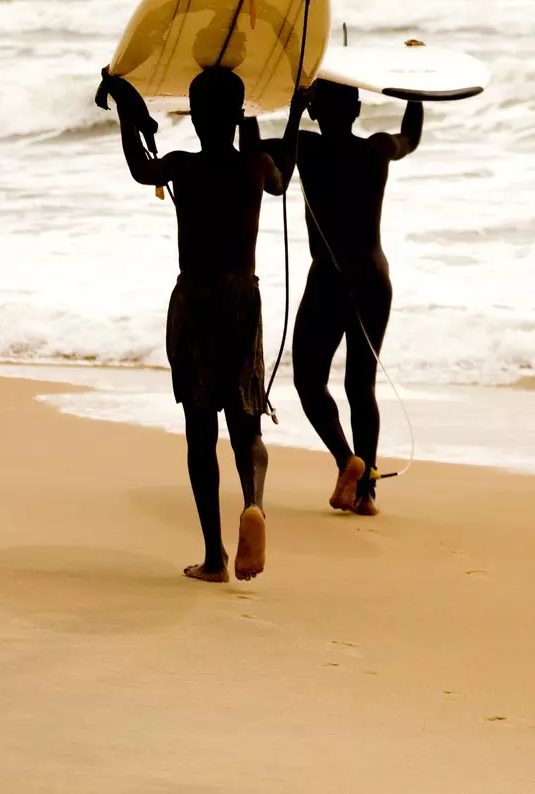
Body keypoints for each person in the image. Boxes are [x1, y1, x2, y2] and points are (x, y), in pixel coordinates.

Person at [96, 63, 303, 583]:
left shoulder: (184, 166)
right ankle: (252, 502)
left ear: (193, 115)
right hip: (241, 297)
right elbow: (284, 177)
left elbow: (142, 169)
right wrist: (294, 112)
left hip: (195, 298)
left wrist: (127, 107)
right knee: (246, 420)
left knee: (199, 431)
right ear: (237, 115)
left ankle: (214, 558)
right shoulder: (255, 167)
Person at [292, 79, 422, 515]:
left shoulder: (305, 148)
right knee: (360, 384)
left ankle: (348, 461)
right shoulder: (377, 149)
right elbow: (412, 138)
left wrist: (278, 109)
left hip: (329, 277)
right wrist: (414, 94)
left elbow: (257, 155)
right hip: (373, 277)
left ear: (315, 112)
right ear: (358, 109)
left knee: (309, 382)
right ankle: (366, 494)